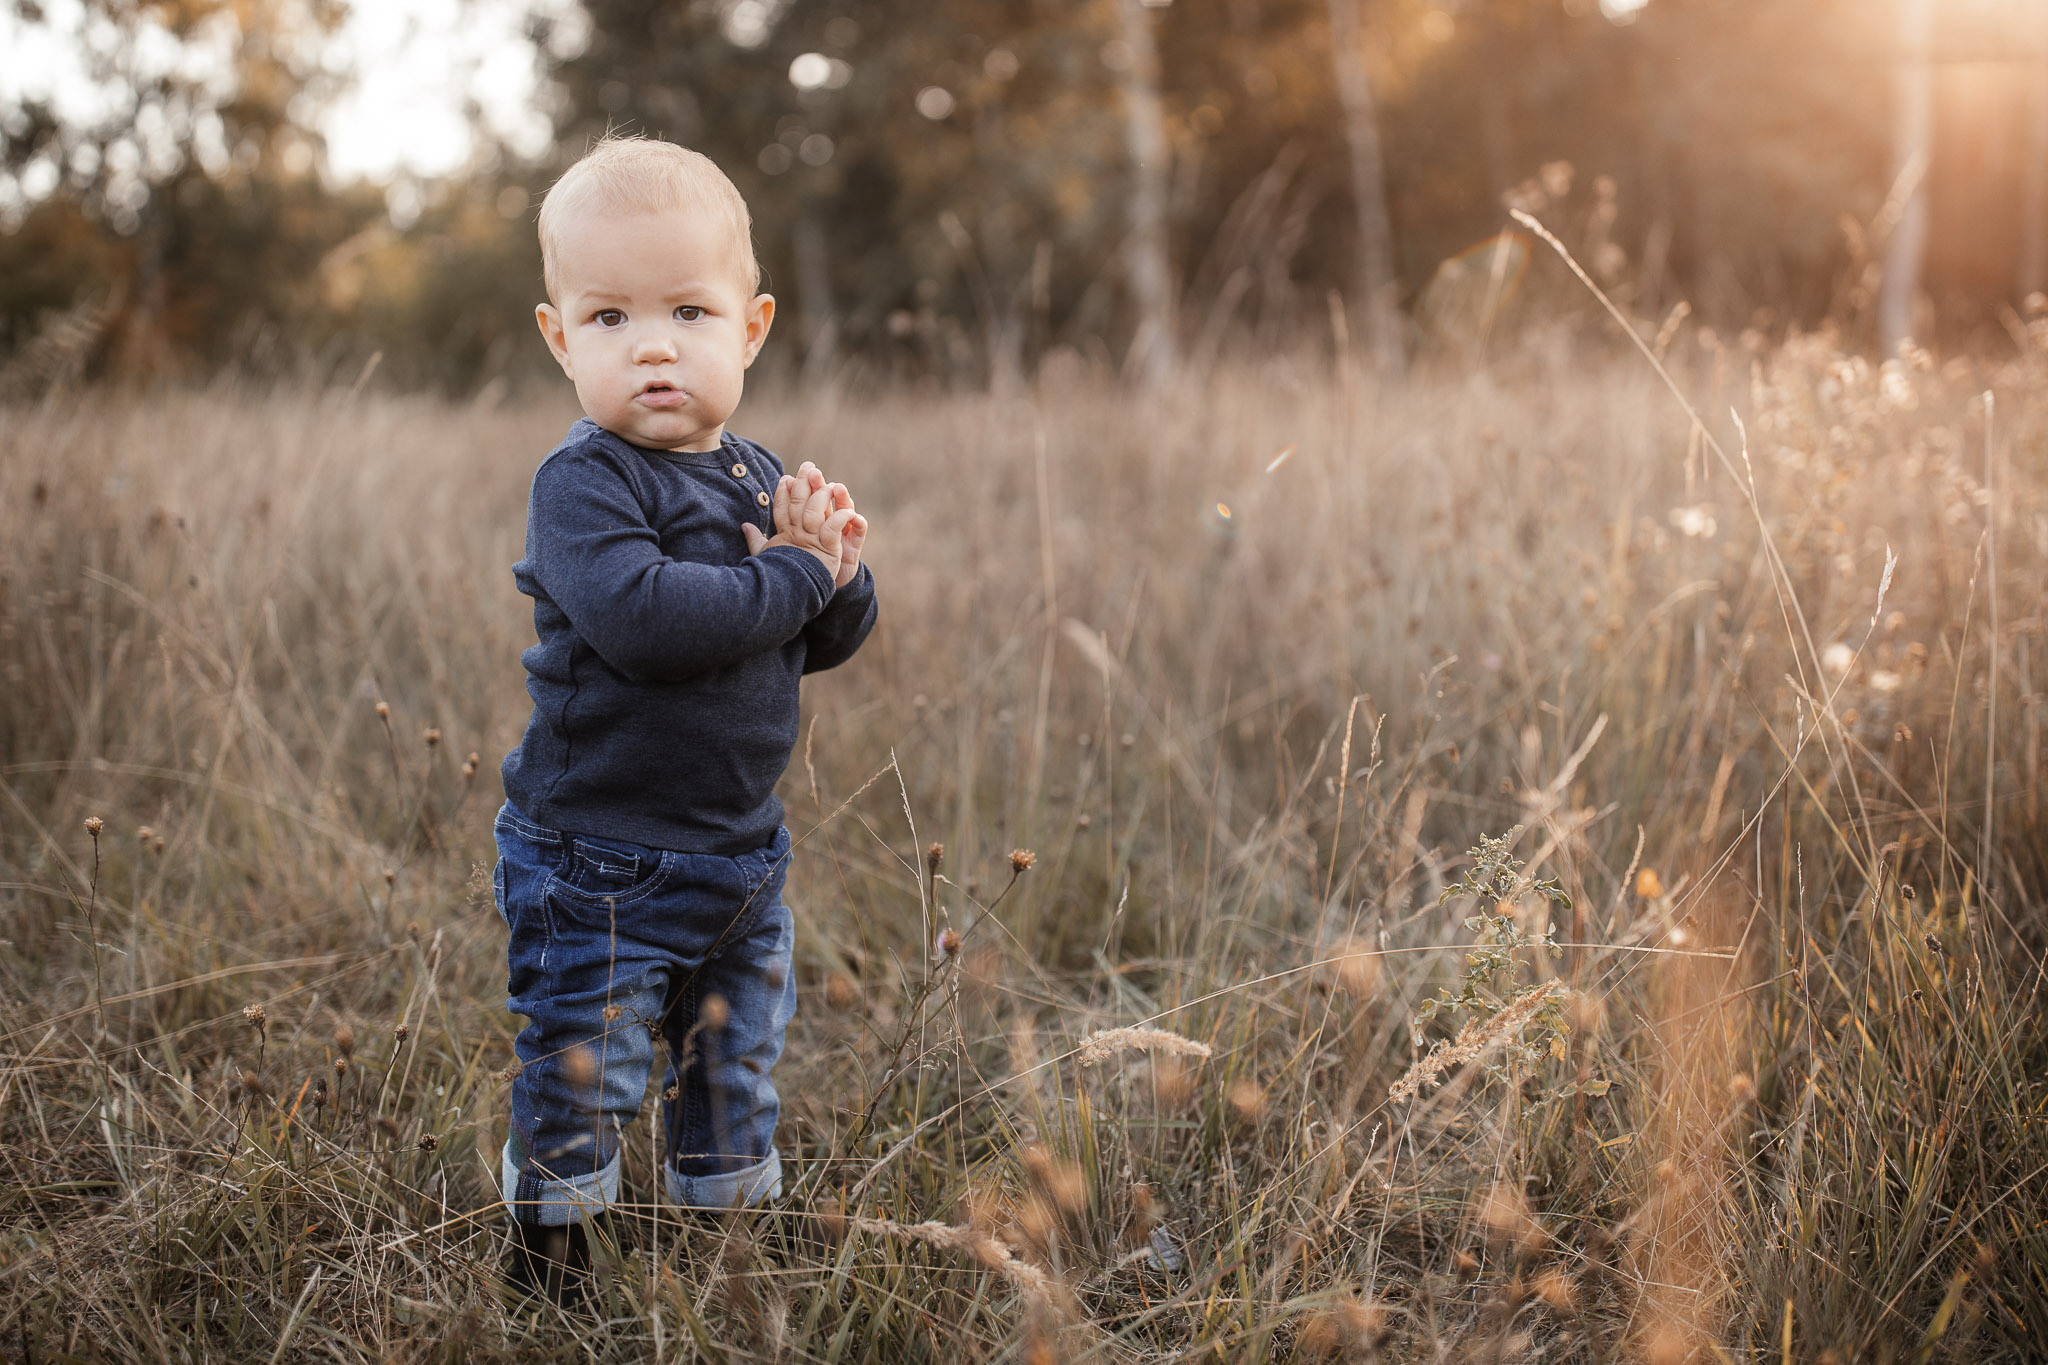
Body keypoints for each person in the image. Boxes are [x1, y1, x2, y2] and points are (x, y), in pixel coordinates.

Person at [491, 135, 876, 1301]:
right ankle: (552, 1266)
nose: (653, 344)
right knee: (585, 1067)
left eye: (688, 312)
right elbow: (650, 621)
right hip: (598, 855)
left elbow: (815, 641)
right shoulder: (585, 483)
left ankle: (725, 1248)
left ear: (748, 329)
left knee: (733, 1062)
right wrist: (797, 576)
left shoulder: (760, 478)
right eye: (608, 318)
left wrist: (841, 573)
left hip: (740, 854)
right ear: (560, 339)